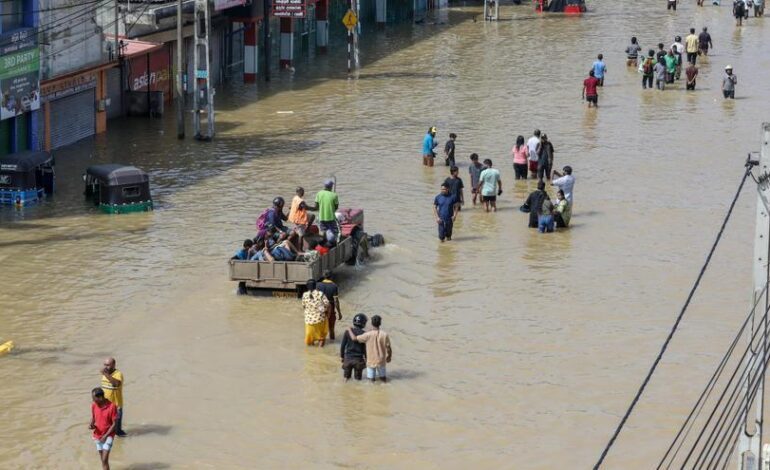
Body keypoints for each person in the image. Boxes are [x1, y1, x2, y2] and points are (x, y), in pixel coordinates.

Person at [347, 314, 392, 383]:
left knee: (371, 381)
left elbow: (354, 338)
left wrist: (349, 330)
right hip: (381, 360)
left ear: (371, 323)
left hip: (370, 361)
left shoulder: (367, 335)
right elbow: (388, 348)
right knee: (383, 379)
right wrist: (389, 356)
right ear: (380, 323)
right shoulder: (384, 334)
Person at [90, 388, 118, 470]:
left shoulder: (112, 406)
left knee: (105, 459)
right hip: (97, 435)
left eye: (94, 398)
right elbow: (93, 417)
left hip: (108, 436)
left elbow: (114, 424)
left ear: (101, 398)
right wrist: (91, 424)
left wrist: (105, 436)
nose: (93, 400)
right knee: (103, 460)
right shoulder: (94, 405)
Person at [307, 179, 339, 244]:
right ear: (331, 187)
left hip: (321, 218)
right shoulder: (334, 195)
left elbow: (316, 207)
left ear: (324, 186)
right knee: (335, 232)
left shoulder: (319, 193)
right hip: (331, 218)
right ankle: (333, 243)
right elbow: (336, 207)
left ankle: (324, 244)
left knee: (323, 232)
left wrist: (308, 208)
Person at [100, 357, 126, 437]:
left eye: (108, 365)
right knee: (106, 429)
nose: (105, 367)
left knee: (118, 432)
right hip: (105, 407)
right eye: (105, 365)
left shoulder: (118, 374)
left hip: (116, 407)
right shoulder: (105, 374)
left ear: (114, 365)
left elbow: (116, 384)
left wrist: (105, 374)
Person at [340, 313, 367, 381]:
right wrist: (366, 358)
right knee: (358, 380)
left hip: (348, 358)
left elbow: (342, 346)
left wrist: (342, 357)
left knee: (346, 378)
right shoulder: (364, 334)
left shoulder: (347, 332)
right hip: (358, 359)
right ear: (364, 323)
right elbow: (365, 348)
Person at [302, 280, 329, 347]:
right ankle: (320, 351)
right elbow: (327, 304)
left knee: (311, 337)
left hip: (308, 321)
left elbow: (303, 306)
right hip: (320, 319)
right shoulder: (320, 294)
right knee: (321, 337)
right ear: (315, 286)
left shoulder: (305, 295)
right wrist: (323, 309)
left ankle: (312, 353)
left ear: (307, 287)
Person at [317, 271, 342, 341]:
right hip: (330, 310)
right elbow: (336, 301)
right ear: (331, 277)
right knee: (331, 329)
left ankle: (321, 346)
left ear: (323, 276)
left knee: (321, 330)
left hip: (320, 309)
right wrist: (339, 313)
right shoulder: (334, 286)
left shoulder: (318, 285)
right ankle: (332, 343)